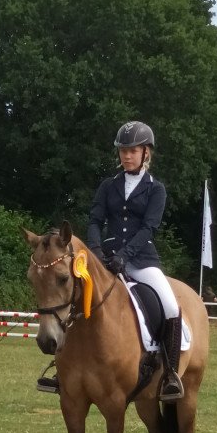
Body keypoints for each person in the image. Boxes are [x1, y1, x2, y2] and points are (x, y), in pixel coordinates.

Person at [37, 121, 184, 400]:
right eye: (123, 151)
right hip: (104, 259)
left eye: (132, 151)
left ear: (145, 153)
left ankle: (170, 375)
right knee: (73, 299)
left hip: (141, 260)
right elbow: (95, 220)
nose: (126, 156)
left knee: (170, 306)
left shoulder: (156, 189)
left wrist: (125, 256)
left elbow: (148, 229)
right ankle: (62, 369)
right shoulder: (108, 186)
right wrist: (95, 252)